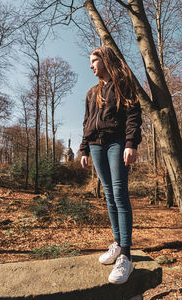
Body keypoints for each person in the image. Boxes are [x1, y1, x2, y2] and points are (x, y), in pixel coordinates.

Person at [79, 46, 142, 284]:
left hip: (117, 143)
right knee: (108, 194)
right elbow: (86, 122)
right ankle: (117, 243)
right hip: (96, 145)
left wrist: (130, 143)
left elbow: (134, 115)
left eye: (94, 60)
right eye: (90, 61)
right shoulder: (91, 93)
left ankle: (126, 256)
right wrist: (84, 148)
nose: (91, 65)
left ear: (105, 60)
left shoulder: (124, 84)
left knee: (119, 192)